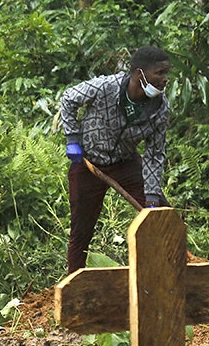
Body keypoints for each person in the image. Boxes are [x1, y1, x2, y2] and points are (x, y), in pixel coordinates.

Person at [59, 46, 172, 274]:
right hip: (88, 163)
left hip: (124, 162)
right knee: (81, 230)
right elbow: (69, 98)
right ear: (140, 74)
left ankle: (171, 272)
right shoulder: (106, 87)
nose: (165, 79)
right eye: (160, 73)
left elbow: (154, 154)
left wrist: (151, 197)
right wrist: (73, 139)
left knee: (162, 217)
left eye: (166, 73)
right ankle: (75, 281)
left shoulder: (160, 109)